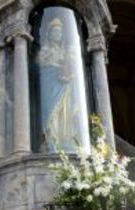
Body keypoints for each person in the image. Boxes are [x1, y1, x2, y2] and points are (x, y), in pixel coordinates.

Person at [37, 17, 77, 152]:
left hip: (64, 86)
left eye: (59, 33)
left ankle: (64, 139)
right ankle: (50, 140)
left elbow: (72, 70)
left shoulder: (65, 52)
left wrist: (69, 73)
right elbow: (39, 66)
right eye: (55, 32)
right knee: (50, 112)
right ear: (49, 34)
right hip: (50, 86)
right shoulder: (45, 50)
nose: (57, 35)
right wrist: (54, 68)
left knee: (65, 112)